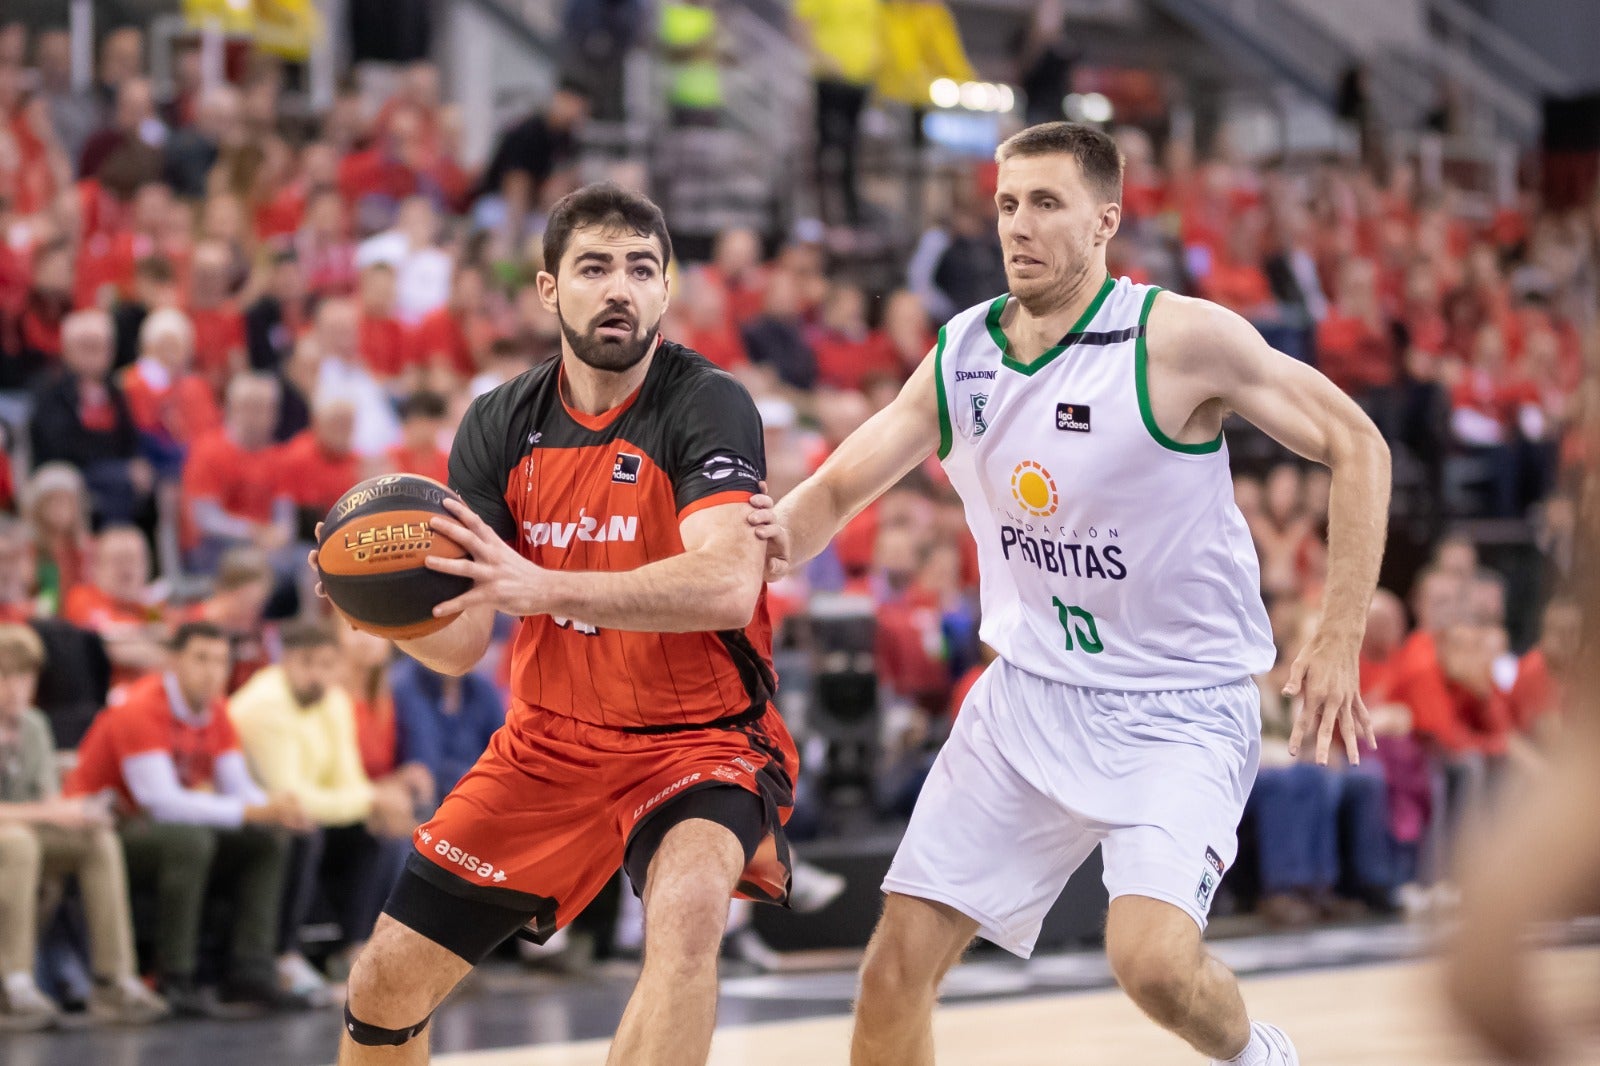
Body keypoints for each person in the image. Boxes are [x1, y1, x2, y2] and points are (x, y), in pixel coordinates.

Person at [748, 122, 1391, 1066]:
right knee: (891, 975)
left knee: (1154, 966)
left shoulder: (1178, 339)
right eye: (1008, 203)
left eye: (1047, 203)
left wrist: (1339, 635)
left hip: (1177, 709)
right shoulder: (963, 350)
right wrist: (767, 545)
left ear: (1105, 222)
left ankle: (1260, 1054)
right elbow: (841, 487)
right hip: (1029, 699)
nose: (1019, 225)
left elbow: (1358, 444)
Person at [323, 182, 797, 1065]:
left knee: (689, 923)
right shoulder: (499, 422)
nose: (619, 287)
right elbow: (463, 642)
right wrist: (382, 610)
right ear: (549, 290)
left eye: (640, 269)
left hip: (700, 741)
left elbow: (728, 584)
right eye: (594, 267)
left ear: (666, 290)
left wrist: (543, 587)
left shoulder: (708, 402)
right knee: (384, 979)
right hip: (549, 744)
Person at [63, 622, 312, 1016]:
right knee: (191, 840)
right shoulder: (141, 706)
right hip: (102, 827)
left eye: (220, 661)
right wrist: (252, 810)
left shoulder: (217, 711)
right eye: (201, 659)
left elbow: (239, 788)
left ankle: (250, 969)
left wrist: (277, 807)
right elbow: (159, 801)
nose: (213, 671)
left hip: (154, 824)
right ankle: (174, 975)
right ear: (173, 661)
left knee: (265, 840)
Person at [229, 623, 414, 1003]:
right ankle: (283, 956)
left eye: (327, 664)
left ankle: (353, 949)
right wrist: (370, 799)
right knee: (301, 828)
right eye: (306, 663)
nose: (317, 675)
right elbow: (290, 794)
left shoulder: (334, 700)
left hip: (310, 815)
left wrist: (370, 803)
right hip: (258, 816)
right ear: (284, 661)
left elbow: (348, 781)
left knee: (378, 830)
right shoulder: (264, 705)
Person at [0, 624, 170, 1029]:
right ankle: (14, 984)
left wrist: (80, 811)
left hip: (21, 830)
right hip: (14, 836)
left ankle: (115, 981)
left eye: (24, 677)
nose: (15, 688)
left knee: (97, 839)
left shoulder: (34, 726)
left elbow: (45, 799)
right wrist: (52, 814)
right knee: (20, 842)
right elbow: (38, 812)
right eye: (5, 676)